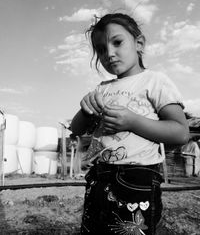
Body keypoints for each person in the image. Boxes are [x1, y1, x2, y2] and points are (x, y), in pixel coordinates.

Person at [71, 13, 189, 235]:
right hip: (99, 176)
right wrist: (85, 107)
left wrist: (133, 121)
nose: (110, 54)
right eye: (101, 49)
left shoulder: (155, 81)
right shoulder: (102, 88)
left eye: (117, 42)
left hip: (137, 179)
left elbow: (180, 132)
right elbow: (77, 129)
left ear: (139, 43)